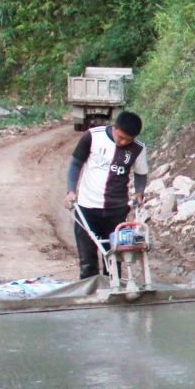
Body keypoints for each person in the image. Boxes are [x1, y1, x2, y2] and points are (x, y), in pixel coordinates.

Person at [66, 110, 149, 280]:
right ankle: (90, 294)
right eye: (120, 137)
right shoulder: (93, 136)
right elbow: (76, 163)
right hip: (87, 207)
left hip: (116, 210)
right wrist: (71, 191)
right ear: (114, 127)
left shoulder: (138, 149)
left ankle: (114, 292)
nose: (123, 142)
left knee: (114, 257)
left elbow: (141, 173)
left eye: (128, 139)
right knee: (87, 260)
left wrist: (139, 192)